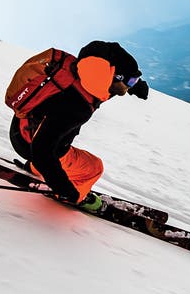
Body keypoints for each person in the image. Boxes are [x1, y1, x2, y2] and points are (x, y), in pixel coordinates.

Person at [9, 41, 149, 212]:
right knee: (93, 168)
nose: (130, 86)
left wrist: (134, 86)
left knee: (53, 141)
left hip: (22, 128)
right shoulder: (77, 106)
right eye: (131, 81)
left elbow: (108, 84)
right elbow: (41, 151)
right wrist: (66, 191)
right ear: (115, 76)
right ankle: (76, 198)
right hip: (30, 144)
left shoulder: (84, 72)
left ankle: (38, 169)